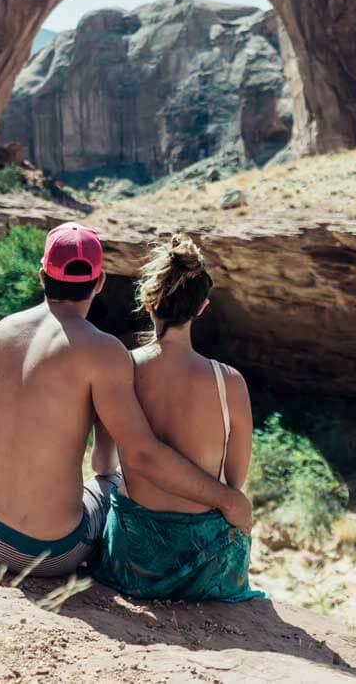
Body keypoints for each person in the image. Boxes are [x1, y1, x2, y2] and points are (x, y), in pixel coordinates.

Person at [0, 221, 252, 578]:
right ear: (100, 283)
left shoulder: (1, 332)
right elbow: (139, 455)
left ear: (42, 276)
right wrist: (228, 500)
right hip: (45, 552)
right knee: (110, 482)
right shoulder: (103, 351)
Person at [92, 234, 264, 602]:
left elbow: (102, 463)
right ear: (202, 307)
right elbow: (235, 482)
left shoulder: (122, 368)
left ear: (147, 302)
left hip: (134, 560)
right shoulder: (230, 382)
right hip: (206, 564)